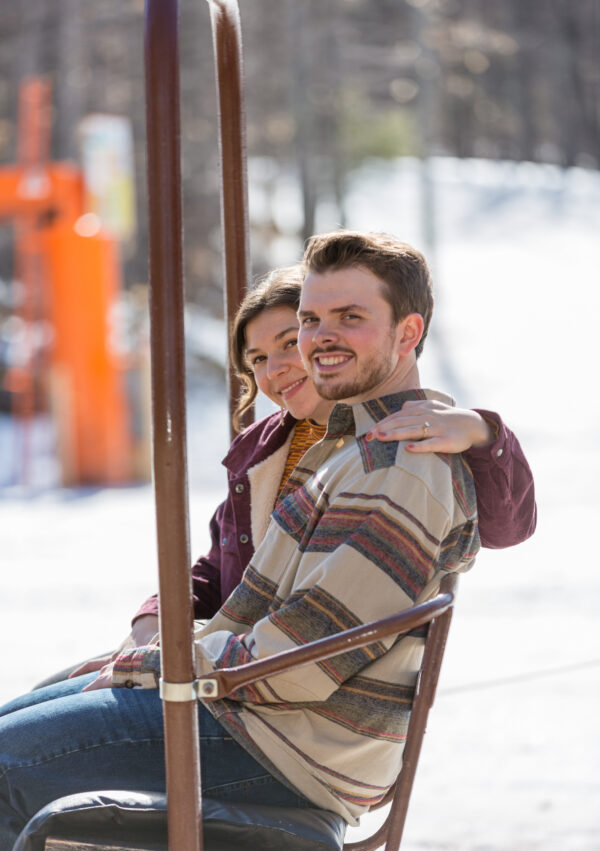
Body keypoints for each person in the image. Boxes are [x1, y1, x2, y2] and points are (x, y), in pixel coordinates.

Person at [0, 233, 529, 851]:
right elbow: (228, 583)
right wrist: (156, 636)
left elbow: (304, 660)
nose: (318, 338)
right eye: (310, 320)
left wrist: (161, 665)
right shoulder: (337, 450)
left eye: (350, 318)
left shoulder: (401, 461)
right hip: (254, 714)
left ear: (408, 331)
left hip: (278, 743)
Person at [69, 264, 535, 674]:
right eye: (257, 361)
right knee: (46, 697)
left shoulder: (396, 438)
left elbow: (506, 527)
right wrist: (153, 620)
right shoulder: (265, 448)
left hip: (267, 683)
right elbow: (219, 565)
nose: (273, 371)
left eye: (289, 343)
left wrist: (484, 433)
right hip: (219, 652)